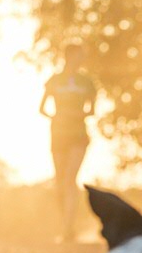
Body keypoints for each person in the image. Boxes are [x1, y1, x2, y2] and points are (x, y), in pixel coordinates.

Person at [39, 42, 98, 242]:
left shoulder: (87, 82)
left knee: (70, 178)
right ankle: (66, 224)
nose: (80, 59)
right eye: (77, 55)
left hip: (78, 133)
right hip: (58, 133)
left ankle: (68, 228)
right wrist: (57, 117)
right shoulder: (54, 80)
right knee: (60, 181)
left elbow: (92, 110)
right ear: (68, 56)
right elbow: (41, 108)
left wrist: (77, 114)